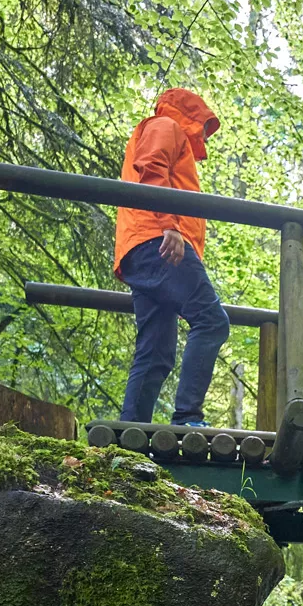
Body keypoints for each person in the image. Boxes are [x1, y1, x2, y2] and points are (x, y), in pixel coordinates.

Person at [113, 88, 231, 426]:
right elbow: (151, 167)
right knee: (212, 321)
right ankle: (188, 419)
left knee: (156, 353)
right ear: (191, 114)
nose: (204, 134)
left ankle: (130, 435)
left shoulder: (166, 131)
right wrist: (170, 227)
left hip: (142, 246)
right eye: (203, 124)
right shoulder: (166, 125)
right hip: (159, 241)